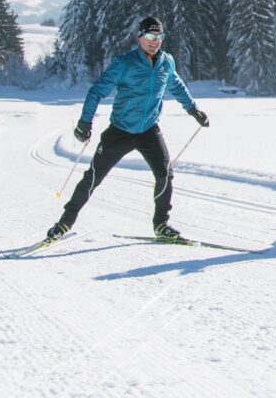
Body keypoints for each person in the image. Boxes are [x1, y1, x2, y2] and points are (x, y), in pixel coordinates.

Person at [45, 15, 209, 241]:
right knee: (92, 178)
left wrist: (194, 110)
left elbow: (177, 86)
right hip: (119, 131)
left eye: (159, 36)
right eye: (150, 36)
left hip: (149, 130)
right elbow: (97, 91)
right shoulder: (124, 63)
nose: (155, 41)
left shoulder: (166, 62)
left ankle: (161, 224)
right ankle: (64, 223)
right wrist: (85, 122)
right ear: (140, 37)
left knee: (165, 175)